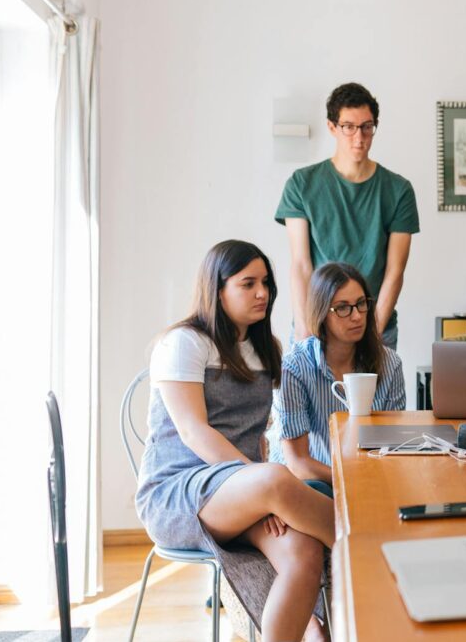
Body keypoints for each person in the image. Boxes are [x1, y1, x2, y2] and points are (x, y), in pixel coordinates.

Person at [136, 240, 332, 642]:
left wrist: (261, 489)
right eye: (248, 283)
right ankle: (372, 552)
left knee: (303, 553)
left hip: (243, 492)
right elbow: (194, 432)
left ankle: (311, 631)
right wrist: (262, 485)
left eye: (266, 283)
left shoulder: (265, 350)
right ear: (218, 288)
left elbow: (256, 435)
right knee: (278, 479)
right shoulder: (184, 343)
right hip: (179, 493)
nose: (263, 293)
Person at [276, 82, 419, 349]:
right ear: (332, 127)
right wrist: (305, 329)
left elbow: (395, 270)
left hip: (375, 325)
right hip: (317, 324)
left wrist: (373, 334)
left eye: (367, 127)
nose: (359, 137)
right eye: (349, 127)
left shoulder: (398, 190)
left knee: (375, 393)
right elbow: (300, 264)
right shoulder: (302, 184)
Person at [270, 262, 406, 491]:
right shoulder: (294, 367)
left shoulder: (390, 363)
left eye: (361, 304)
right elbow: (298, 463)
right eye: (343, 308)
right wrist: (352, 481)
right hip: (309, 483)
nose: (356, 316)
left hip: (368, 479)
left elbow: (391, 446)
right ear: (321, 313)